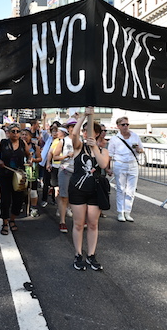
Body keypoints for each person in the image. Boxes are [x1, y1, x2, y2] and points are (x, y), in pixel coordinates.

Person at [68, 107, 110, 271]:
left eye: (90, 131)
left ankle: (91, 254)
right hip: (77, 190)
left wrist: (94, 148)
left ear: (98, 134)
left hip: (95, 192)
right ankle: (78, 254)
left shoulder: (103, 150)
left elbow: (103, 165)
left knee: (93, 224)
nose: (86, 133)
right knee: (79, 224)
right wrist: (84, 116)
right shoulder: (78, 147)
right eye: (85, 131)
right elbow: (74, 135)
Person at [0, 123, 30, 236]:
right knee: (6, 200)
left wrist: (30, 160)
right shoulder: (3, 143)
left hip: (19, 176)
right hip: (5, 175)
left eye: (17, 131)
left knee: (18, 200)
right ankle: (5, 223)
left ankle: (12, 219)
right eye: (13, 131)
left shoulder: (22, 143)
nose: (15, 134)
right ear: (8, 133)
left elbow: (28, 154)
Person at [108, 116, 143, 222]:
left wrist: (138, 149)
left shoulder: (135, 136)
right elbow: (109, 155)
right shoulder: (114, 139)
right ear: (118, 126)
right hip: (120, 164)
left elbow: (141, 149)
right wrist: (108, 168)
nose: (125, 126)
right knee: (121, 189)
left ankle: (128, 212)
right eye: (123, 124)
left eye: (127, 124)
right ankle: (120, 212)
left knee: (131, 190)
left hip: (133, 164)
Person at [52, 126, 74, 233]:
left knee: (77, 197)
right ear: (69, 129)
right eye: (73, 127)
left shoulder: (82, 141)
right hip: (65, 170)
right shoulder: (64, 141)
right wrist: (66, 156)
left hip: (78, 172)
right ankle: (62, 221)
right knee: (64, 196)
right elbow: (55, 156)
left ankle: (79, 220)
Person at [21, 128, 42, 217]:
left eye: (26, 135)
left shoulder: (34, 147)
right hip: (20, 171)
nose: (24, 136)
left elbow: (40, 159)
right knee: (21, 189)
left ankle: (34, 208)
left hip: (32, 172)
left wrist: (33, 160)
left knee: (33, 191)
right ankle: (20, 205)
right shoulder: (17, 146)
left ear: (30, 136)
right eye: (23, 134)